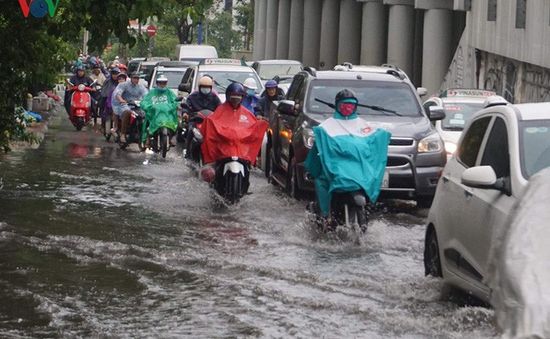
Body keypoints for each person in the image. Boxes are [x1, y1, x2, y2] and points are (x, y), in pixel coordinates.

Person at [304, 89, 391, 219]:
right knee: (322, 181)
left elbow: (375, 143)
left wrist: (384, 134)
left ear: (355, 106)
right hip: (337, 172)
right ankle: (324, 216)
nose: (347, 108)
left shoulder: (363, 126)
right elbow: (318, 151)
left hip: (357, 174)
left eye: (350, 105)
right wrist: (313, 169)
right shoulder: (326, 128)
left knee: (321, 180)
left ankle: (326, 215)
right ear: (337, 105)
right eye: (344, 105)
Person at [140, 75, 179, 147]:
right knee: (146, 123)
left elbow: (175, 101)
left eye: (164, 83)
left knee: (177, 122)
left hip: (167, 115)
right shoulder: (151, 92)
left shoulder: (169, 92)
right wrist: (148, 107)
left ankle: (171, 137)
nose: (162, 85)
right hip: (154, 115)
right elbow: (144, 102)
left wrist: (176, 104)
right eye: (160, 83)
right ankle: (147, 139)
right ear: (157, 83)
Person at [111, 72, 148, 143]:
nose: (136, 80)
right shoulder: (123, 85)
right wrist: (121, 100)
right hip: (125, 105)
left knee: (147, 113)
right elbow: (118, 93)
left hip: (137, 106)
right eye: (134, 78)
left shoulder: (141, 86)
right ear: (131, 78)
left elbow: (146, 94)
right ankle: (123, 134)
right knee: (127, 112)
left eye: (137, 78)